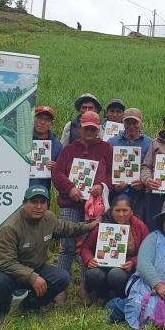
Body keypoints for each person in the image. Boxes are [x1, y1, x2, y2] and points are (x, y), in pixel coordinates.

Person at [0, 185, 99, 328]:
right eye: (34, 202)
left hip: (36, 267)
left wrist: (88, 226)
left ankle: (31, 305)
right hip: (11, 273)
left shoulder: (48, 218)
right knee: (0, 279)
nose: (38, 206)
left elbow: (66, 228)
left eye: (42, 202)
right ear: (24, 203)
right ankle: (0, 313)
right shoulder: (10, 228)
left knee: (62, 277)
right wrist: (32, 277)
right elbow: (6, 263)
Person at [107, 201, 165, 330]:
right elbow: (143, 264)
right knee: (144, 308)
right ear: (162, 223)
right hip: (151, 286)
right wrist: (158, 285)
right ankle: (116, 306)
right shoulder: (153, 238)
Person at [52, 111, 113, 302]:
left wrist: (101, 186)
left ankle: (86, 286)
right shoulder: (69, 150)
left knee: (89, 245)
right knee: (67, 244)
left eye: (93, 129)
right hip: (70, 204)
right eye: (86, 128)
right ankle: (60, 287)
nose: (90, 132)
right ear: (79, 128)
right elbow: (57, 173)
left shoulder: (106, 149)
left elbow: (112, 175)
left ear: (98, 130)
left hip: (93, 206)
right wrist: (70, 188)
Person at [80, 195, 150, 306]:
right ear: (111, 211)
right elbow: (86, 247)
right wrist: (89, 259)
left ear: (131, 212)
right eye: (117, 210)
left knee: (116, 274)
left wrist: (133, 262)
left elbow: (147, 251)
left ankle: (120, 297)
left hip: (125, 269)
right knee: (93, 274)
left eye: (125, 210)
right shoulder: (102, 225)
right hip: (102, 266)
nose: (121, 214)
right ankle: (102, 295)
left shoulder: (140, 226)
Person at [108, 108, 152, 219]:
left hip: (140, 195)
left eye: (135, 122)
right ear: (123, 123)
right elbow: (106, 168)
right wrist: (114, 185)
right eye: (128, 123)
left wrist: (143, 182)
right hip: (117, 194)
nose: (131, 126)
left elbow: (153, 168)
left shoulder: (150, 143)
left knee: (137, 222)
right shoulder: (112, 142)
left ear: (141, 122)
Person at [30, 105, 63, 190]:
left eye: (47, 120)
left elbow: (62, 172)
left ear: (51, 123)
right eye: (39, 118)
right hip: (17, 186)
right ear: (32, 119)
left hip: (42, 190)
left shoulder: (57, 145)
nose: (42, 122)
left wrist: (55, 167)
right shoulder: (22, 138)